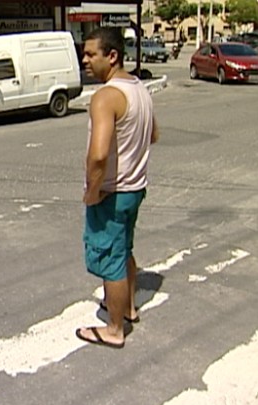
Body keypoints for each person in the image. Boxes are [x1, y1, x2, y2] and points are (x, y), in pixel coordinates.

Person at [75, 27, 159, 349]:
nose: (85, 59)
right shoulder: (140, 88)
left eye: (90, 54)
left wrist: (93, 192)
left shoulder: (106, 96)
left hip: (113, 193)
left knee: (110, 259)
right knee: (124, 250)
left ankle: (114, 328)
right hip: (135, 189)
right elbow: (153, 135)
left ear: (112, 56)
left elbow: (97, 155)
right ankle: (129, 308)